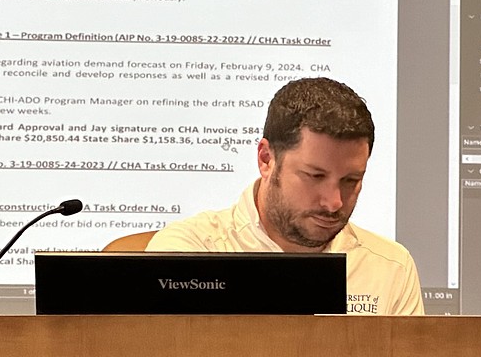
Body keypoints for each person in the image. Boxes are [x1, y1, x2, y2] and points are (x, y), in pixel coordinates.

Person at [147, 77, 425, 315]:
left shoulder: (391, 268)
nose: (333, 203)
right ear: (266, 159)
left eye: (350, 180)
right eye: (315, 176)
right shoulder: (188, 253)